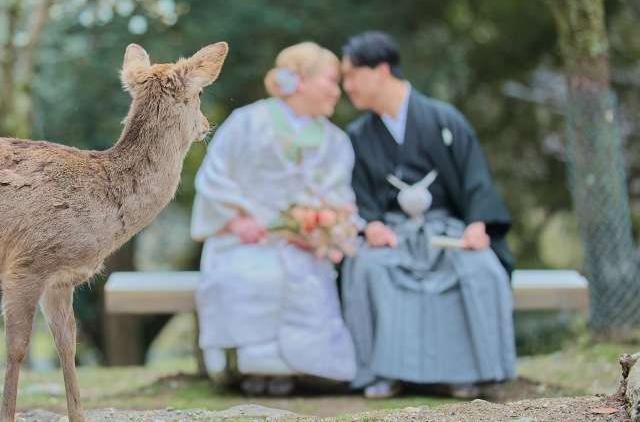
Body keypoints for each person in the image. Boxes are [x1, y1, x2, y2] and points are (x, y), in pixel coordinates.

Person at [339, 30, 516, 400]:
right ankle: (383, 372)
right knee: (370, 268)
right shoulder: (357, 135)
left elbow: (475, 178)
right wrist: (370, 224)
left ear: (381, 70)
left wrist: (478, 225)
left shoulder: (443, 118)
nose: (347, 86)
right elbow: (355, 194)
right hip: (391, 232)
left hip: (447, 230)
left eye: (352, 75)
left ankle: (465, 372)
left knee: (480, 269)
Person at [191, 42, 359, 396]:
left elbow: (340, 199)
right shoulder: (246, 122)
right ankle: (246, 368)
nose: (337, 90)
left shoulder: (335, 141)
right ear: (300, 81)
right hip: (243, 234)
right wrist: (236, 222)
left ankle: (295, 370)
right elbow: (213, 178)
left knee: (305, 282)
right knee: (247, 276)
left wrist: (318, 230)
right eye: (331, 80)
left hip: (301, 241)